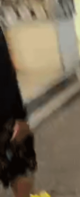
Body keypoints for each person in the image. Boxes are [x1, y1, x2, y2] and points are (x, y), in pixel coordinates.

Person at [0, 27, 37, 197]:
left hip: (6, 116)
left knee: (19, 169)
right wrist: (20, 117)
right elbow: (7, 74)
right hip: (6, 117)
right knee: (19, 170)